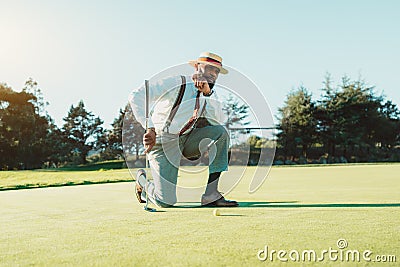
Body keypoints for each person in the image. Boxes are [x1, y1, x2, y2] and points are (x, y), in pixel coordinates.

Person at [129, 52, 238, 208]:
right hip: (163, 142)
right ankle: (142, 181)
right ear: (196, 67)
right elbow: (136, 96)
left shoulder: (208, 94)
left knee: (220, 133)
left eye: (216, 71)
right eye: (209, 68)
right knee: (165, 201)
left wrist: (207, 94)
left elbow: (216, 122)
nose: (213, 74)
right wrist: (149, 126)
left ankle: (211, 195)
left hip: (187, 140)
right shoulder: (176, 82)